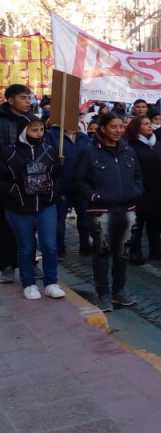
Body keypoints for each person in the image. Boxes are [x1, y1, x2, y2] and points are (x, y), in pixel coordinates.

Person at [74, 113, 144, 312]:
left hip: (127, 210)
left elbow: (138, 176)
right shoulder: (89, 152)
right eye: (114, 126)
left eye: (121, 126)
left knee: (122, 254)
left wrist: (136, 192)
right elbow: (79, 181)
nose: (118, 130)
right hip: (101, 212)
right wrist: (94, 196)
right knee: (102, 253)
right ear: (103, 128)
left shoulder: (129, 151)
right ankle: (103, 293)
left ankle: (119, 290)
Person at [0, 119, 65, 300]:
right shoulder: (9, 153)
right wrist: (14, 191)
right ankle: (28, 283)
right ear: (23, 131)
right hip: (19, 208)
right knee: (26, 247)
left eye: (41, 129)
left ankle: (51, 282)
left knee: (50, 246)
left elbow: (59, 176)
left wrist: (54, 192)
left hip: (46, 206)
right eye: (34, 130)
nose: (39, 133)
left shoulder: (50, 150)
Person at [124, 115, 161, 264]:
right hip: (141, 191)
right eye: (145, 124)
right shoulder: (131, 146)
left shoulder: (159, 144)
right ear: (137, 127)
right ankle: (135, 251)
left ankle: (155, 250)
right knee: (138, 223)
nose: (149, 126)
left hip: (159, 190)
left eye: (149, 123)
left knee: (156, 222)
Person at [0, 84, 35, 283]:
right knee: (5, 225)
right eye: (23, 98)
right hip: (4, 180)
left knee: (28, 224)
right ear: (10, 99)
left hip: (29, 179)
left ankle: (28, 263)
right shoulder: (2, 120)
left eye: (29, 98)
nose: (28, 102)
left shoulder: (32, 120)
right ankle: (6, 264)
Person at [44, 122, 93, 256]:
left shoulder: (84, 138)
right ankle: (59, 248)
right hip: (61, 184)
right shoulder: (51, 136)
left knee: (84, 217)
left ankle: (85, 246)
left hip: (81, 185)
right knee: (59, 219)